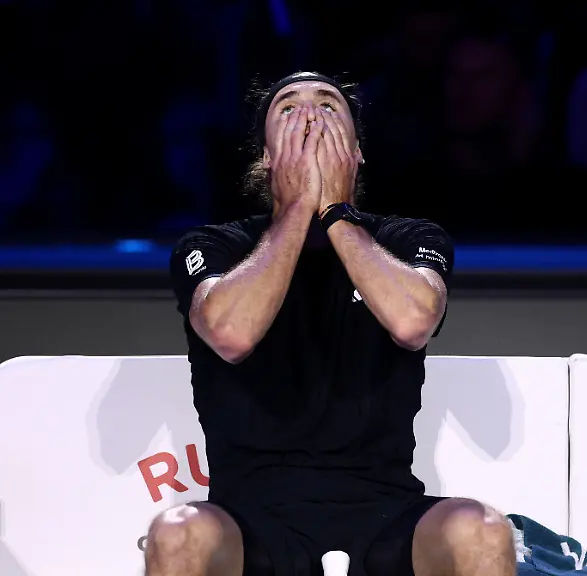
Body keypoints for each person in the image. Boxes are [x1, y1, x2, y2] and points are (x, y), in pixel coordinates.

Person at [149, 72, 515, 576]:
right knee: (177, 532)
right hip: (251, 516)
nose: (309, 117)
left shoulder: (408, 239)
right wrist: (300, 207)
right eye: (288, 109)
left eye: (327, 106)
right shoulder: (212, 247)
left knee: (481, 528)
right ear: (266, 158)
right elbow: (232, 333)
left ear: (356, 153)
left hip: (384, 511)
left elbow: (413, 321)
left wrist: (335, 212)